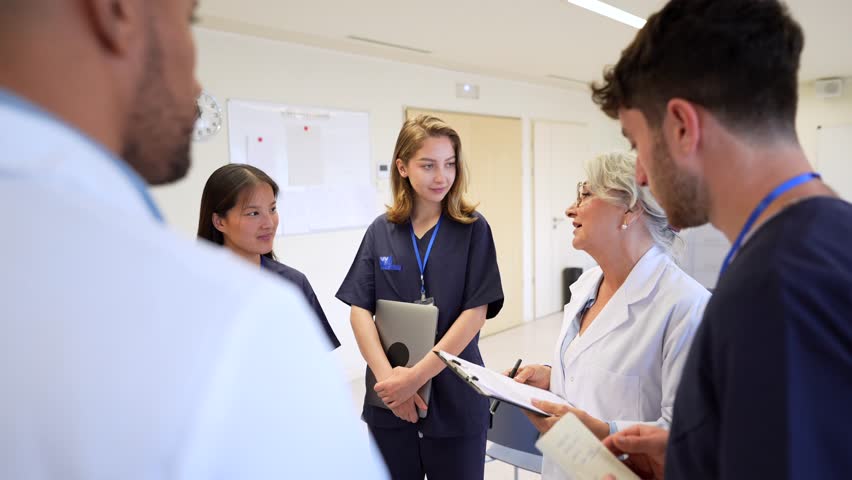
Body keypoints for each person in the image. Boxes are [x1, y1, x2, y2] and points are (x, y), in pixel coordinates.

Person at [0, 1, 385, 478]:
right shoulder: (231, 309)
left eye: (272, 210)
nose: (199, 87)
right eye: (188, 22)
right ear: (116, 12)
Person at [591, 0, 852, 478]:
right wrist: (700, 453)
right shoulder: (830, 241)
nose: (642, 175)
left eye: (636, 144)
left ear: (683, 127)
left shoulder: (771, 288)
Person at [511, 152, 709, 480]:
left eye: (585, 194)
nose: (570, 209)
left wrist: (605, 430)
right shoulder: (587, 285)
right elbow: (596, 375)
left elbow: (688, 434)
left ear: (631, 210)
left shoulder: (686, 306)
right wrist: (550, 375)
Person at [336, 114, 504, 480]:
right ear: (403, 167)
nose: (441, 177)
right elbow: (359, 310)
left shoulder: (473, 229)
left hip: (455, 392)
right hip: (389, 395)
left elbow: (475, 313)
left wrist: (415, 378)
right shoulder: (381, 231)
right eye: (428, 165)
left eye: (449, 164)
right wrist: (392, 383)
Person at [197, 163, 341, 349]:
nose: (268, 223)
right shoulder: (195, 289)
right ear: (219, 222)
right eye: (253, 213)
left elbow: (317, 362)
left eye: (272, 209)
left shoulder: (293, 284)